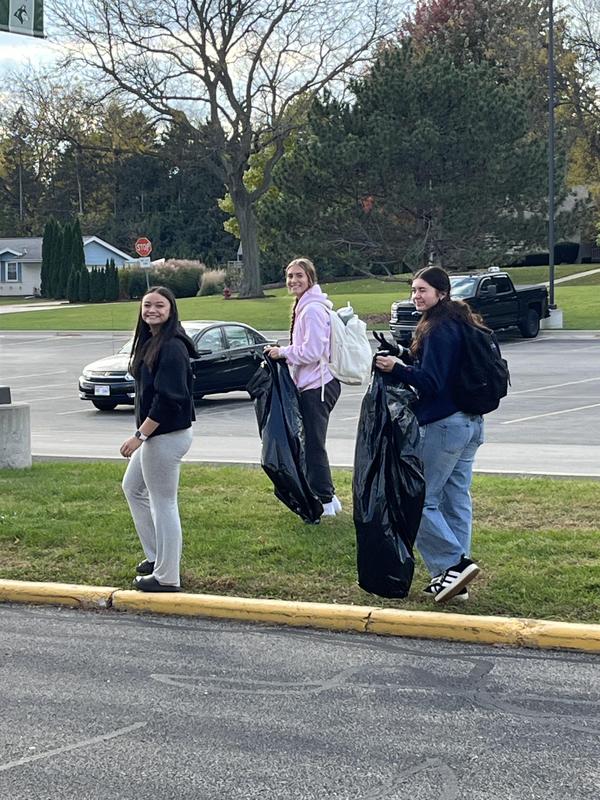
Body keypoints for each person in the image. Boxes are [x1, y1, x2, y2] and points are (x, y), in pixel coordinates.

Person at [375, 266, 486, 603]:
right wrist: (407, 356)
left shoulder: (438, 328)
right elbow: (443, 370)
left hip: (445, 425)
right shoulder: (462, 322)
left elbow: (432, 383)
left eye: (422, 290)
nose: (416, 296)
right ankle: (455, 582)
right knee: (456, 500)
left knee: (419, 500)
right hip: (471, 422)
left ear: (441, 292)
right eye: (413, 290)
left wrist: (398, 368)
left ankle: (453, 564)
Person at [120, 286, 197, 592]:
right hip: (157, 436)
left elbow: (169, 400)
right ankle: (157, 557)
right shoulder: (151, 341)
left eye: (159, 306)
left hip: (166, 436)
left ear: (171, 310)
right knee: (132, 487)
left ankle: (167, 576)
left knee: (164, 503)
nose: (152, 310)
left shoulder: (172, 347)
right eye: (147, 305)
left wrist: (139, 436)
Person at [264, 257, 342, 518]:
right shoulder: (304, 305)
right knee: (310, 442)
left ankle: (326, 499)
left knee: (313, 444)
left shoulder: (311, 310)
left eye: (299, 276)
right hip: (312, 384)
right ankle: (323, 494)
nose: (293, 281)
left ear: (311, 278)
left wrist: (282, 352)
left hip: (318, 386)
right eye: (289, 276)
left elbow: (312, 351)